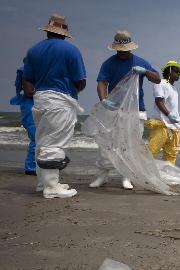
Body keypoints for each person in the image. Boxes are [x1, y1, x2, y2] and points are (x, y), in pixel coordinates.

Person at [22, 14, 86, 199]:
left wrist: (38, 93)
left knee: (42, 141)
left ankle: (43, 183)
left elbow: (27, 81)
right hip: (60, 99)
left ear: (48, 31)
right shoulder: (71, 51)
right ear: (65, 33)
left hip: (40, 99)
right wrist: (70, 89)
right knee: (55, 142)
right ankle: (51, 187)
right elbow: (80, 81)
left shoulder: (33, 50)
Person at [89, 31, 161, 189]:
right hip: (113, 108)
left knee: (131, 144)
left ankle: (126, 177)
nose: (123, 52)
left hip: (136, 109)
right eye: (120, 50)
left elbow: (157, 78)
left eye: (125, 49)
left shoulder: (141, 61)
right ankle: (102, 175)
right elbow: (102, 83)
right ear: (115, 48)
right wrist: (104, 100)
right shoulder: (108, 63)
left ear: (131, 48)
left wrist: (145, 71)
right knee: (107, 143)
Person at [145, 60, 180, 165]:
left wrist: (174, 120)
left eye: (179, 72)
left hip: (174, 126)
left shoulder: (174, 89)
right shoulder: (161, 83)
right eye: (176, 71)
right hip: (162, 124)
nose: (178, 74)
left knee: (171, 155)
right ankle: (143, 175)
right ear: (169, 71)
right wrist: (169, 115)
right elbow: (159, 101)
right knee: (151, 152)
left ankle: (168, 176)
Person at [9, 60, 36, 176]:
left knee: (36, 137)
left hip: (29, 105)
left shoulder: (26, 69)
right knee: (36, 137)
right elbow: (29, 92)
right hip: (30, 106)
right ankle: (31, 167)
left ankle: (33, 165)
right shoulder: (27, 70)